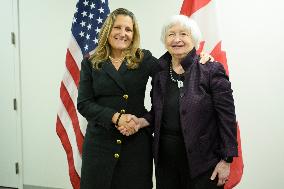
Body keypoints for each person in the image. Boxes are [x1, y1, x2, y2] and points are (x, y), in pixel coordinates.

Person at [77, 8, 212, 189]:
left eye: (128, 29)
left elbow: (173, 67)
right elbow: (84, 104)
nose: (123, 34)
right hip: (100, 144)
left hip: (135, 144)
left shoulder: (143, 58)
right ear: (107, 30)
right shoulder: (90, 62)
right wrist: (116, 117)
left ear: (134, 34)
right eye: (117, 27)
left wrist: (196, 58)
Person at [151, 15, 238, 189]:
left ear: (194, 39)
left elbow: (227, 117)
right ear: (164, 39)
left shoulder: (210, 69)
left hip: (204, 164)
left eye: (183, 34)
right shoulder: (159, 70)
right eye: (171, 34)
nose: (176, 39)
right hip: (166, 165)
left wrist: (226, 160)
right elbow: (157, 111)